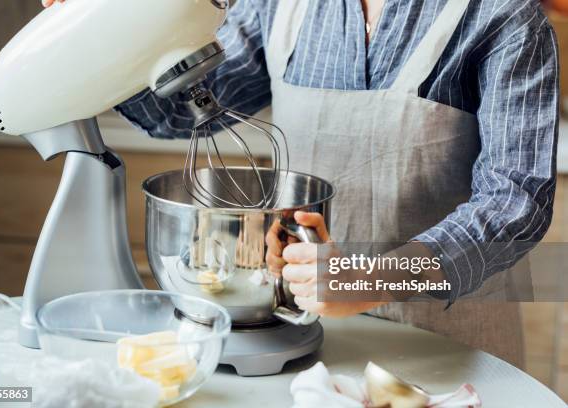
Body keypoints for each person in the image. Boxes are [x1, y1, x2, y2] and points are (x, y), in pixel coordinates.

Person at [44, 0, 559, 367]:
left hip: (451, 347)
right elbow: (180, 113)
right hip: (307, 339)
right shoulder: (280, 6)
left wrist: (370, 280)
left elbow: (516, 203)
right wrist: (99, 44)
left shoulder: (505, 16)